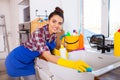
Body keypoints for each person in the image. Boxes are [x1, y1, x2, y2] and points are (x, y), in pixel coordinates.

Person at [5, 7, 91, 80]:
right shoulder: (39, 33)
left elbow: (49, 49)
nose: (57, 25)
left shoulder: (54, 34)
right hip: (15, 60)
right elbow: (48, 56)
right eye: (54, 21)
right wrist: (73, 64)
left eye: (60, 23)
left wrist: (58, 53)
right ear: (48, 21)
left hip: (29, 63)